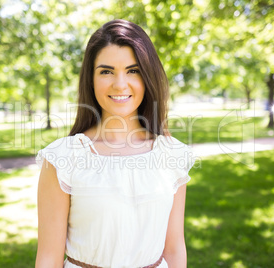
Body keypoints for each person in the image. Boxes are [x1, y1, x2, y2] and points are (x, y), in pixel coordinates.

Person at [35, 19, 195, 268]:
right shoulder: (63, 158)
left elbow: (174, 250)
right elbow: (48, 258)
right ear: (91, 78)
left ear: (148, 76)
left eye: (133, 70)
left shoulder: (171, 154)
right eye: (106, 71)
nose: (120, 84)